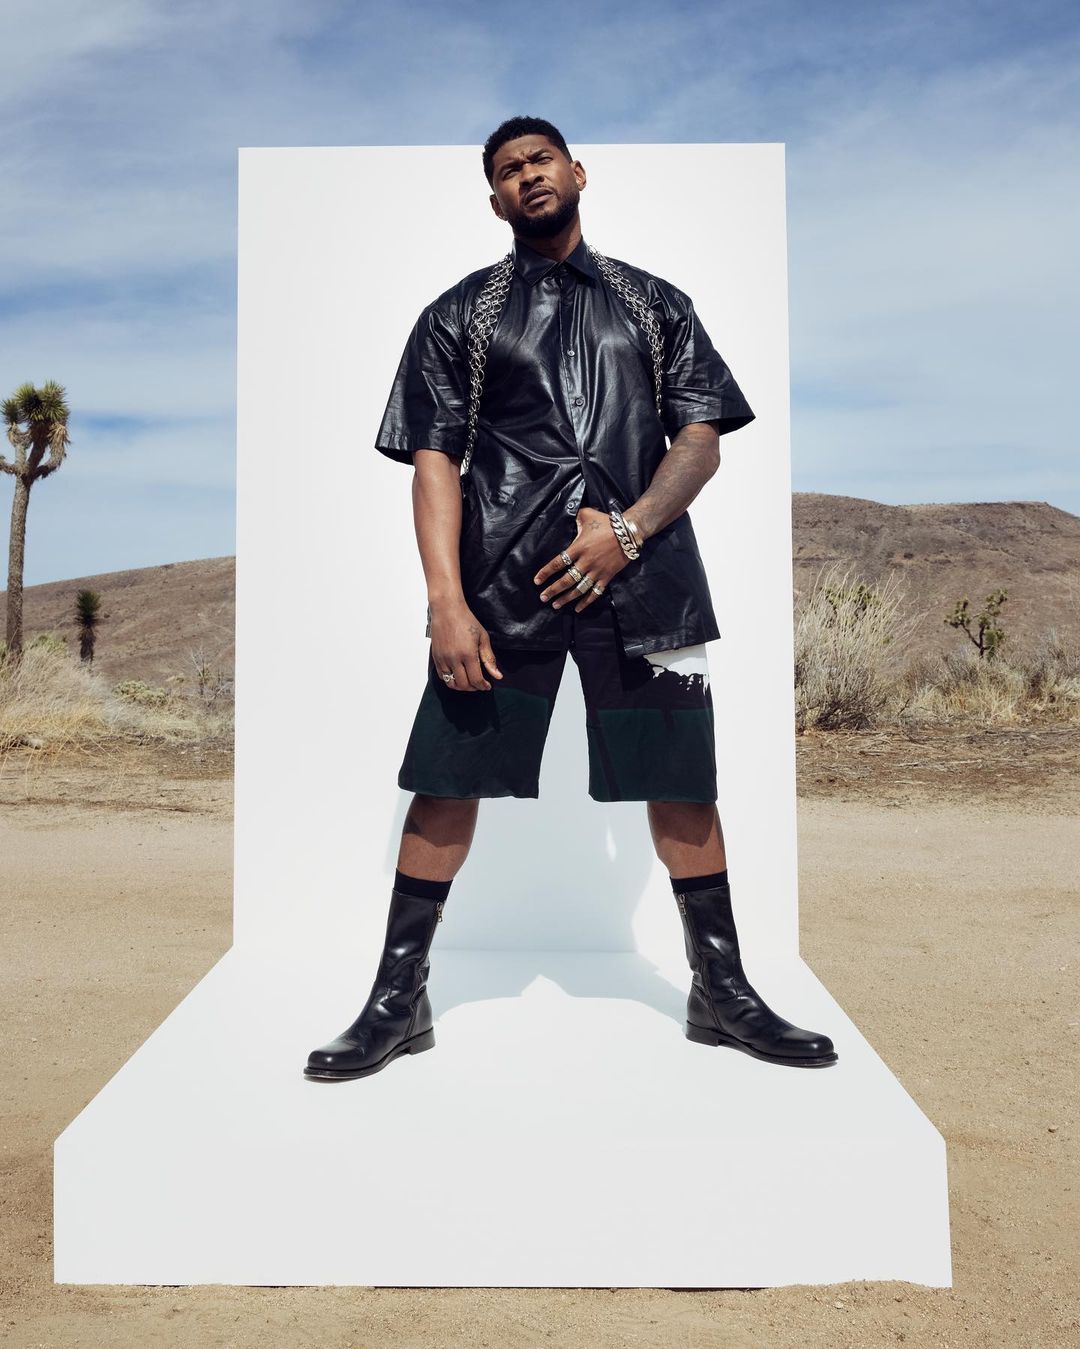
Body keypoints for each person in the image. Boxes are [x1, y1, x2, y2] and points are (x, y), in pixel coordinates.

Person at [304, 115, 837, 1082]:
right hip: (503, 588)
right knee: (446, 778)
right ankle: (398, 996)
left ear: (577, 172)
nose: (527, 176)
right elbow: (433, 464)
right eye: (507, 170)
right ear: (494, 198)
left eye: (540, 159)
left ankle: (722, 989)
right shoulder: (459, 314)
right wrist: (444, 601)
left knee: (682, 780)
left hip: (650, 585)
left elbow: (701, 438)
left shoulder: (655, 302)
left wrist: (625, 531)